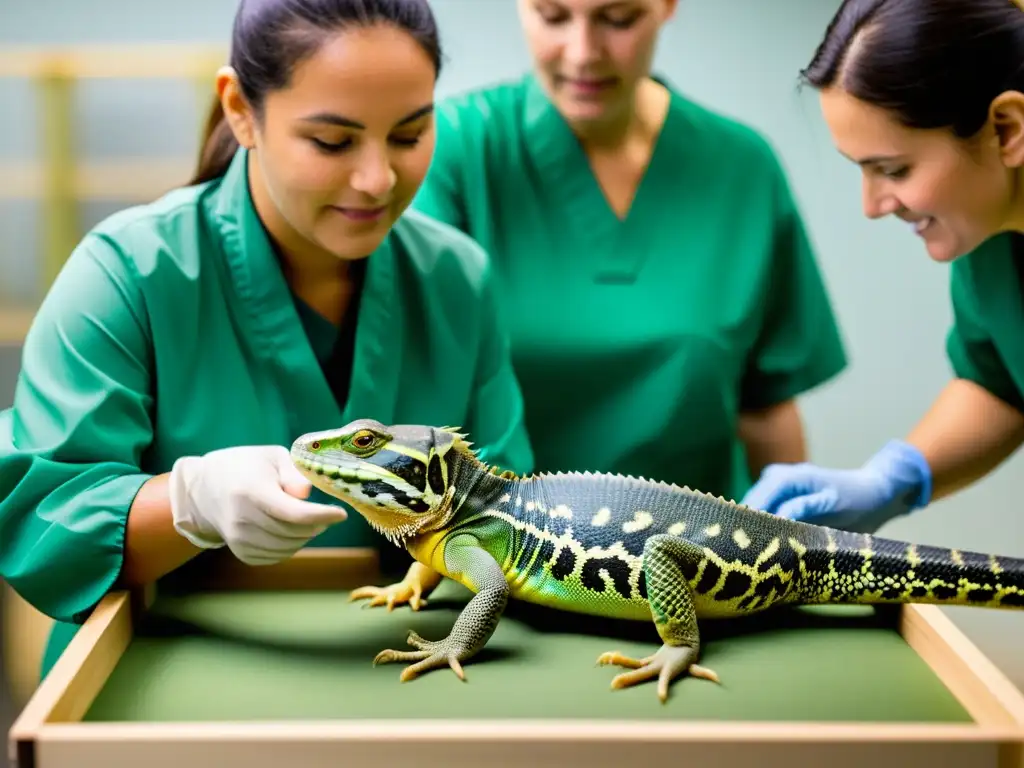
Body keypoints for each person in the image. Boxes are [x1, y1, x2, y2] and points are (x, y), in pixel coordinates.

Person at [0, 0, 533, 682]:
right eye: (333, 142)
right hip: (158, 685)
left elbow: (502, 518)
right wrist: (188, 504)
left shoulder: (457, 278)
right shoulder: (128, 273)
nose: (377, 180)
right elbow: (39, 525)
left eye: (408, 134)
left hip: (412, 680)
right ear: (240, 109)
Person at [411, 0, 848, 503]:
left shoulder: (742, 169)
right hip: (502, 558)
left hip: (692, 559)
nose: (583, 54)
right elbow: (418, 391)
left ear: (666, 6)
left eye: (618, 19)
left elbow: (766, 410)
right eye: (553, 17)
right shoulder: (454, 151)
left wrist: (801, 549)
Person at [741, 0, 1024, 532]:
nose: (872, 206)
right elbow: (1003, 384)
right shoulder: (991, 241)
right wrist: (893, 478)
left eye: (893, 169)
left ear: (1006, 129)